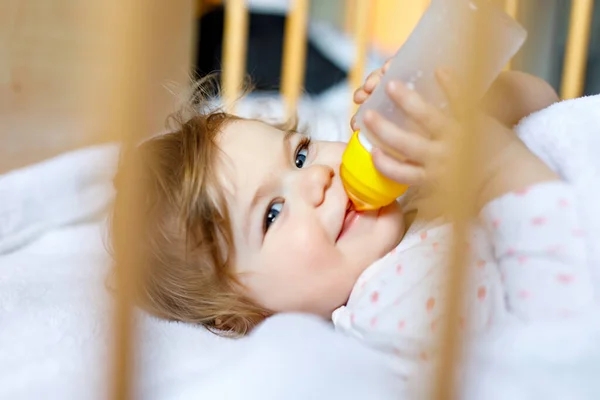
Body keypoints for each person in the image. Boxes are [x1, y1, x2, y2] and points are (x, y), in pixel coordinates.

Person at [110, 63, 591, 350]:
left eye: (299, 155)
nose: (317, 178)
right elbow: (566, 331)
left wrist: (464, 106)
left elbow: (543, 99)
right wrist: (495, 166)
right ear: (245, 318)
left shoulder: (414, 188)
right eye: (272, 214)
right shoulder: (391, 308)